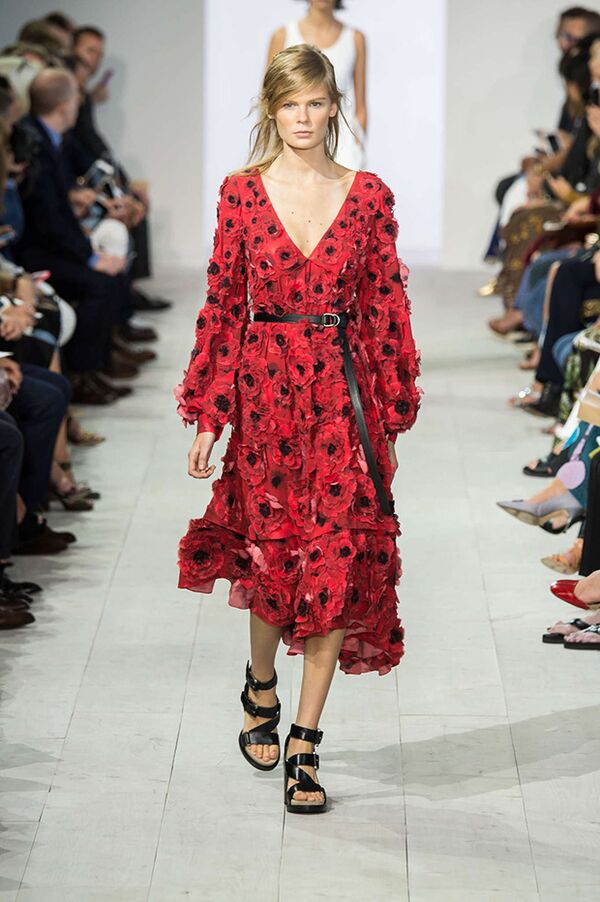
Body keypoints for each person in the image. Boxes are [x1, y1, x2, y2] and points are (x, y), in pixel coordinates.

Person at [176, 45, 420, 814]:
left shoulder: (367, 196)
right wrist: (208, 413)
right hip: (265, 397)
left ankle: (306, 745)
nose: (304, 118)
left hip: (340, 398)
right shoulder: (242, 194)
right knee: (272, 560)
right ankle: (260, 683)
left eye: (316, 103)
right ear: (271, 109)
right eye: (290, 104)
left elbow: (384, 308)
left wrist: (390, 413)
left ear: (334, 107)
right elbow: (224, 306)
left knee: (335, 564)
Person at [267, 0, 366, 170]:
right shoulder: (282, 36)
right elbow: (270, 93)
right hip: (292, 138)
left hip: (343, 143)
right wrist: (271, 145)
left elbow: (361, 104)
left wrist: (357, 146)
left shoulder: (355, 38)